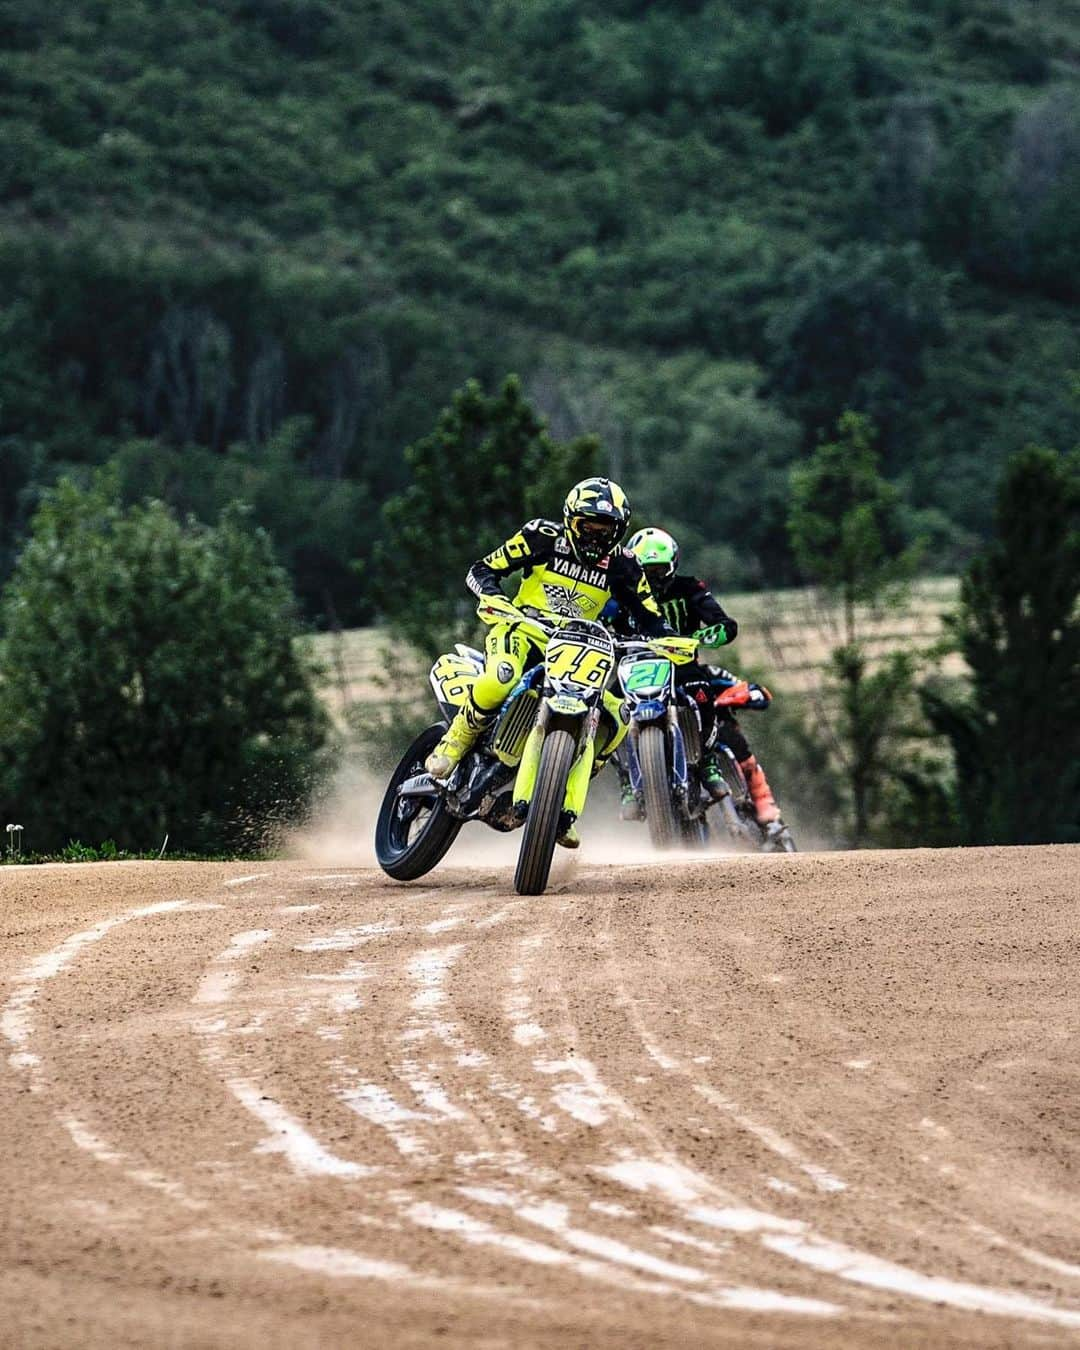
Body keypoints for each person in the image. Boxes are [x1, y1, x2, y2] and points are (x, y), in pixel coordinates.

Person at [424, 478, 671, 847]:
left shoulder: (625, 564)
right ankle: (453, 743)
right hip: (523, 630)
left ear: (619, 531)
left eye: (606, 530)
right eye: (589, 527)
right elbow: (483, 569)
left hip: (581, 648)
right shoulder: (541, 536)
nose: (595, 538)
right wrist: (496, 599)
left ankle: (563, 809)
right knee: (501, 678)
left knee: (617, 718)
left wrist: (668, 641)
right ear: (572, 521)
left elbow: (652, 617)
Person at [616, 526, 787, 839]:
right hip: (634, 666)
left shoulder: (689, 588)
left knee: (703, 693)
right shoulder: (621, 590)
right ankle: (627, 781)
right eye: (645, 572)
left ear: (672, 567)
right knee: (608, 705)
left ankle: (707, 761)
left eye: (659, 571)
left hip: (682, 665)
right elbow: (601, 621)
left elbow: (725, 625)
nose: (652, 580)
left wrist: (700, 637)